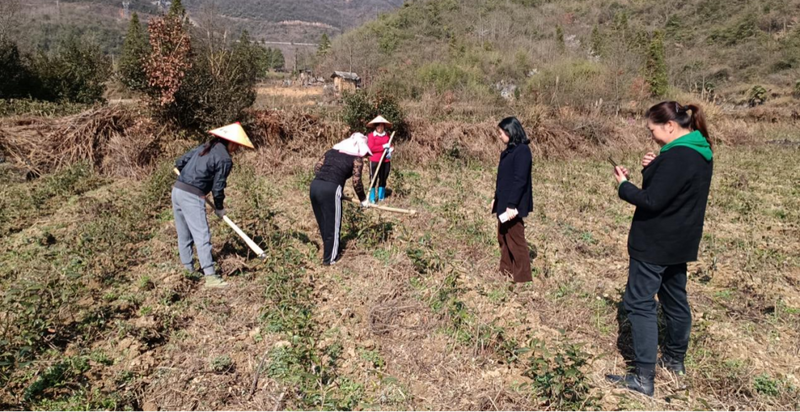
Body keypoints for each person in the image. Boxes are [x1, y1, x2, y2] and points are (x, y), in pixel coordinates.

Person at [607, 102, 714, 396]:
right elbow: (672, 193)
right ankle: (675, 361)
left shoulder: (677, 156)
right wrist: (653, 169)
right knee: (675, 300)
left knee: (639, 303)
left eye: (652, 129)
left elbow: (652, 201)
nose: (651, 135)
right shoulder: (700, 151)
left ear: (669, 126)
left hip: (655, 242)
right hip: (681, 242)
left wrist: (623, 185)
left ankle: (643, 378)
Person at [172, 122, 254, 288]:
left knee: (184, 234)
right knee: (202, 234)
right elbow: (218, 186)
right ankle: (210, 276)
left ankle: (189, 272)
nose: (236, 149)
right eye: (236, 146)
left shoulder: (205, 147)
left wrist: (187, 178)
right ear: (230, 142)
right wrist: (219, 206)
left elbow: (180, 162)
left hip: (177, 190)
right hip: (192, 195)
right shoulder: (224, 159)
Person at [310, 133, 371, 266]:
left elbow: (317, 168)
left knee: (324, 223)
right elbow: (356, 182)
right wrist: (363, 199)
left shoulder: (331, 152)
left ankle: (327, 251)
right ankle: (330, 260)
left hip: (315, 186)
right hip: (331, 189)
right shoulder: (356, 158)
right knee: (333, 225)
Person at [491, 117, 533, 283]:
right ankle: (506, 271)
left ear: (511, 131)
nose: (500, 136)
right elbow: (502, 178)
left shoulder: (522, 151)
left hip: (512, 204)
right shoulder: (508, 151)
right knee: (503, 237)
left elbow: (519, 180)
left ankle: (523, 278)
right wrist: (496, 198)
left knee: (516, 239)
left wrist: (511, 205)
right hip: (504, 201)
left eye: (501, 132)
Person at [366, 115, 394, 203]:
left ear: (383, 126)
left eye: (381, 125)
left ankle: (381, 197)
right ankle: (372, 198)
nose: (379, 127)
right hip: (375, 160)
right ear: (375, 126)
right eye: (378, 125)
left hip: (385, 160)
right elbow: (371, 148)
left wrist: (391, 150)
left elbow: (391, 145)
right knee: (373, 178)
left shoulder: (387, 136)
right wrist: (383, 147)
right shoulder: (371, 136)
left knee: (383, 178)